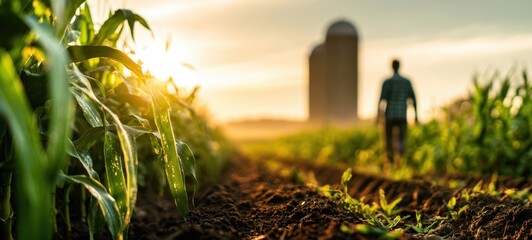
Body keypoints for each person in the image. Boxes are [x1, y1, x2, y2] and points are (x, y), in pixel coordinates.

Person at [377, 59, 418, 164]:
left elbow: (381, 100)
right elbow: (413, 99)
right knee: (401, 139)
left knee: (389, 139)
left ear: (392, 67)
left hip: (390, 115)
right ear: (399, 66)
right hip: (402, 116)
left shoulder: (387, 82)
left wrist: (378, 116)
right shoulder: (406, 82)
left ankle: (390, 162)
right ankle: (400, 161)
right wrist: (416, 115)